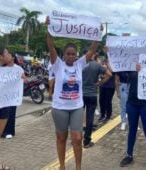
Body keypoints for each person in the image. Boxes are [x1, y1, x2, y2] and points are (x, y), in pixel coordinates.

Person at [46, 16, 102, 170]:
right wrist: (49, 30)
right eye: (68, 54)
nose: (71, 56)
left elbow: (92, 50)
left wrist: (98, 35)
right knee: (61, 137)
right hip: (60, 107)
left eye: (73, 54)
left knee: (77, 138)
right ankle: (62, 166)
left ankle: (78, 167)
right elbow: (51, 48)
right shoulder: (57, 65)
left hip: (76, 107)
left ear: (76, 55)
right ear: (63, 55)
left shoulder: (79, 64)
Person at [119, 70, 146, 170]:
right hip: (132, 103)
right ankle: (129, 155)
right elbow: (119, 71)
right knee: (132, 129)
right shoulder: (130, 65)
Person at [82, 52, 112, 148]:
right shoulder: (97, 65)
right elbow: (109, 74)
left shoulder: (79, 64)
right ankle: (87, 141)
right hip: (92, 94)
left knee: (77, 117)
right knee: (90, 118)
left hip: (80, 94)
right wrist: (100, 83)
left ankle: (75, 138)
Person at [2, 53, 24, 139]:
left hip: (13, 95)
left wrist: (23, 77)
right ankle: (2, 131)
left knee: (11, 113)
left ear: (13, 58)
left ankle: (9, 131)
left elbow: (23, 79)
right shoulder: (2, 68)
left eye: (8, 56)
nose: (6, 57)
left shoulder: (18, 69)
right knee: (3, 113)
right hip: (3, 95)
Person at [98, 57, 115, 122]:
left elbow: (112, 71)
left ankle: (108, 115)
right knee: (101, 100)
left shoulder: (113, 65)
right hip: (103, 85)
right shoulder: (102, 64)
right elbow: (100, 73)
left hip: (110, 86)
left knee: (108, 101)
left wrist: (108, 64)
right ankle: (102, 114)